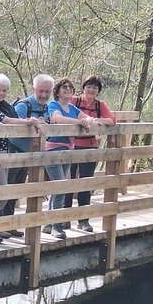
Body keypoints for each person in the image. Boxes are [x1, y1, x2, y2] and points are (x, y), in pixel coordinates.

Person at [0, 74, 45, 238]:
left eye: (4, 90)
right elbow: (6, 121)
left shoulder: (6, 106)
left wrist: (32, 122)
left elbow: (10, 118)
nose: (1, 93)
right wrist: (29, 121)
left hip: (6, 150)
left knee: (10, 190)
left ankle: (5, 225)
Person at [62, 75, 116, 232]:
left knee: (86, 183)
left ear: (98, 91)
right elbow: (63, 114)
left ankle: (83, 220)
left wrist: (98, 120)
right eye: (89, 86)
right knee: (68, 181)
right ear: (83, 88)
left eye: (95, 87)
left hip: (89, 147)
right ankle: (64, 218)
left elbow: (112, 120)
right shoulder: (74, 101)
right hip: (70, 145)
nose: (91, 89)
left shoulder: (100, 105)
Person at [42, 77, 94, 239]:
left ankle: (49, 224)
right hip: (53, 151)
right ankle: (57, 226)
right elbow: (57, 118)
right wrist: (79, 123)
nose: (67, 89)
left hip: (67, 150)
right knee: (61, 187)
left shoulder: (71, 107)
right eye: (64, 87)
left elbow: (89, 118)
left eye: (70, 88)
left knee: (59, 188)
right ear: (57, 91)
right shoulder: (53, 105)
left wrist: (87, 120)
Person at [5, 74, 54, 235]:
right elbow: (13, 127)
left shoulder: (47, 107)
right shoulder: (23, 105)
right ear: (34, 89)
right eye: (41, 91)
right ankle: (0, 226)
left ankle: (10, 225)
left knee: (18, 190)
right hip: (14, 151)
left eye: (47, 92)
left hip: (29, 155)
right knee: (8, 189)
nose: (44, 95)